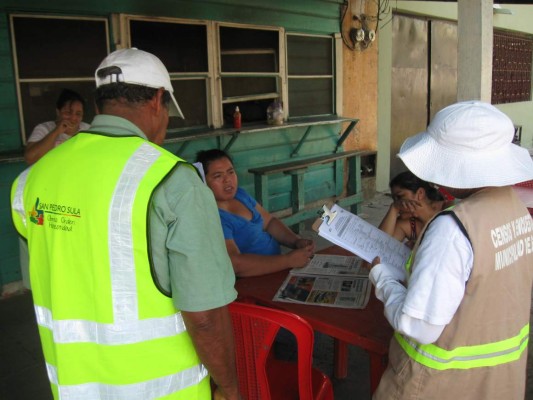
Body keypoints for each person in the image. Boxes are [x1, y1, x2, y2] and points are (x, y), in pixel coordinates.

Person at [11, 48, 241, 400]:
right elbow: (205, 316)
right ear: (158, 100)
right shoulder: (173, 180)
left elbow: (42, 279)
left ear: (100, 102)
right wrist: (230, 387)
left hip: (75, 388)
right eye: (166, 112)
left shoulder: (31, 180)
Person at [368, 101, 533, 400]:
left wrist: (384, 279)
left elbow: (418, 325)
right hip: (499, 382)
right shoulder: (517, 211)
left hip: (436, 385)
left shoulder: (453, 228)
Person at [196, 149, 315, 277]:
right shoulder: (214, 217)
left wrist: (296, 242)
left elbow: (269, 222)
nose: (227, 180)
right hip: (254, 278)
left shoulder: (240, 195)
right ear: (203, 182)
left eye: (230, 172)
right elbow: (235, 264)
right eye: (218, 176)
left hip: (277, 267)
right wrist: (287, 261)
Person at [378, 170, 450, 248]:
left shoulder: (447, 211)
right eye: (394, 200)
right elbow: (378, 247)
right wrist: (393, 208)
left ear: (420, 193)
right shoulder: (408, 225)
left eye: (400, 197)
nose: (398, 203)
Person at [24, 88, 90, 165]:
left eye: (78, 114)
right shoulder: (44, 128)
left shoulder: (89, 130)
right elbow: (30, 159)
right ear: (58, 112)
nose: (73, 118)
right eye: (68, 112)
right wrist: (56, 131)